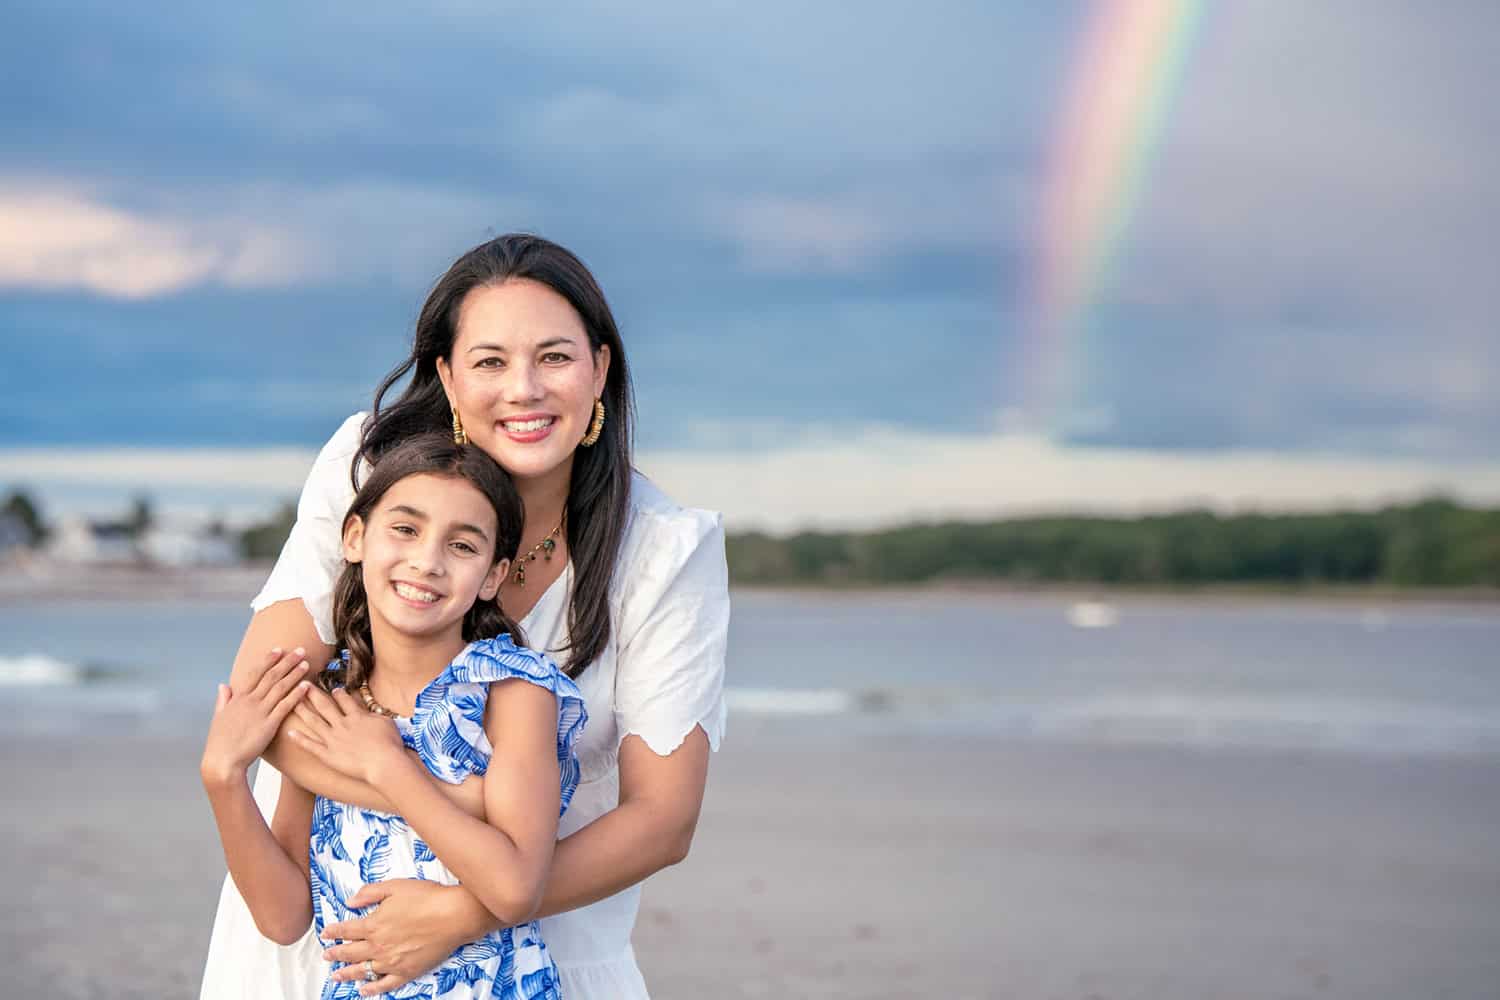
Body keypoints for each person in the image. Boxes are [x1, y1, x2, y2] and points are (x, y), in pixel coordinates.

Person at [200, 234, 729, 1000]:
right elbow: (268, 714)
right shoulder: (369, 468)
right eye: (489, 361)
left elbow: (664, 820)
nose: (523, 389)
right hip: (335, 946)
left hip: (544, 956)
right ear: (447, 377)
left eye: (554, 357)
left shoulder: (664, 549)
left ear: (600, 370)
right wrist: (480, 813)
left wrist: (464, 908)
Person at [201, 434, 587, 999]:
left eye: (462, 546)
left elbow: (512, 891)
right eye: (405, 529)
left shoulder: (510, 690)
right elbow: (284, 919)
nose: (426, 561)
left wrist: (387, 768)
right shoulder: (329, 704)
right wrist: (222, 779)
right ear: (355, 537)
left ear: (492, 576)